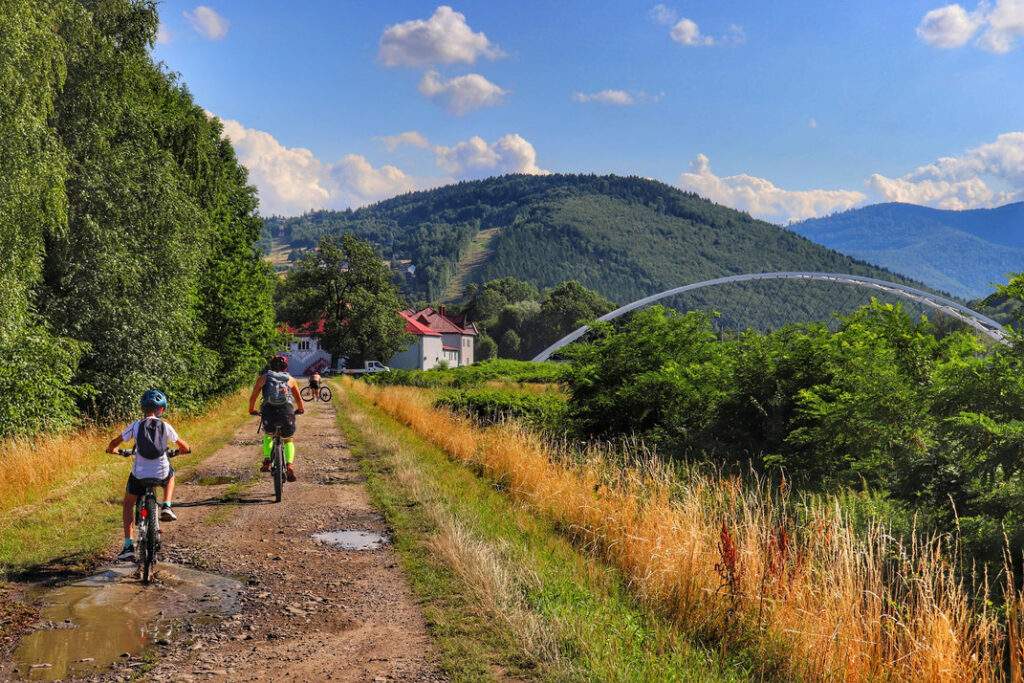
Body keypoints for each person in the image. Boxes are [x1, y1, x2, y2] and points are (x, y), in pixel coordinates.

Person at [106, 389, 191, 561]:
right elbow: (184, 447)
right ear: (162, 409)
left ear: (143, 409)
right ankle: (166, 505)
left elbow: (114, 443)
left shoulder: (136, 425)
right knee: (171, 475)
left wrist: (113, 450)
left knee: (128, 503)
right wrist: (182, 451)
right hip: (160, 473)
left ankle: (128, 545)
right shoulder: (165, 426)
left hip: (140, 475)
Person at [249, 354, 305, 481]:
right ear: (285, 367)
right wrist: (301, 409)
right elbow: (298, 398)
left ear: (271, 365)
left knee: (268, 435)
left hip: (269, 412)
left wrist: (251, 409)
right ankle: (289, 465)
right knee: (288, 439)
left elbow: (253, 397)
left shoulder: (264, 378)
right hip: (287, 412)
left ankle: (267, 459)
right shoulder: (290, 379)